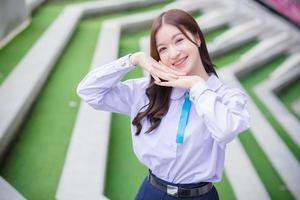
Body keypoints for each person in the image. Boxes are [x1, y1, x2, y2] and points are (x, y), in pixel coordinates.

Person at [77, 9, 250, 200]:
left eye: (179, 40)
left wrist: (197, 86)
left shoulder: (227, 97)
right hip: (151, 192)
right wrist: (133, 59)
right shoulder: (146, 92)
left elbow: (225, 131)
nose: (173, 53)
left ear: (197, 38)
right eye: (163, 48)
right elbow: (88, 91)